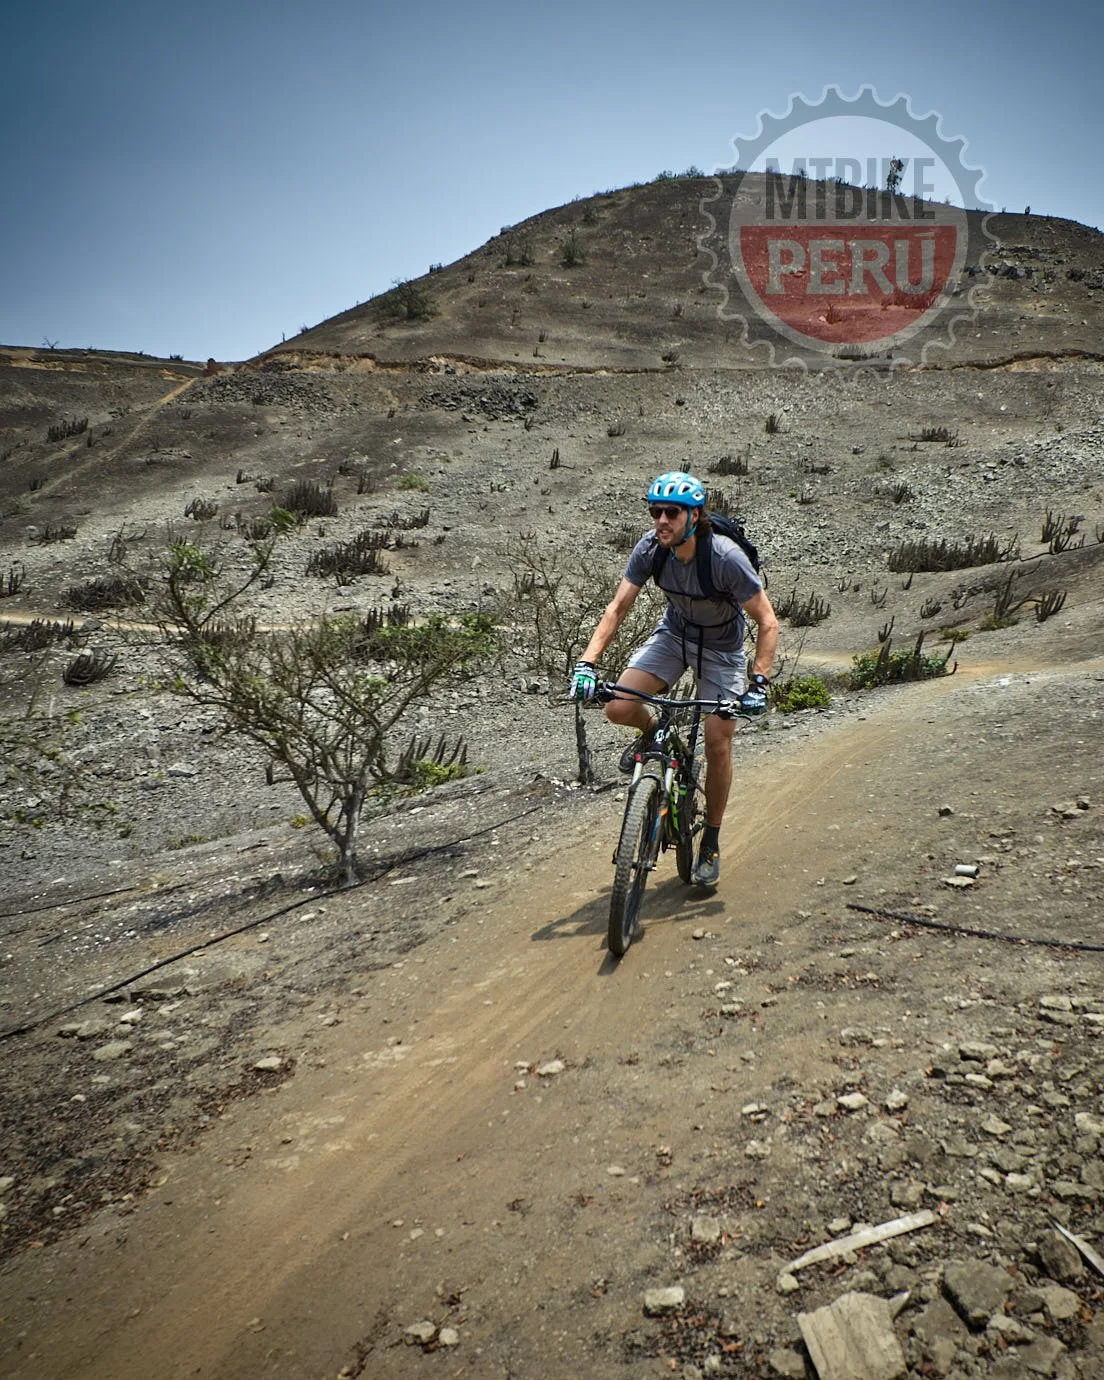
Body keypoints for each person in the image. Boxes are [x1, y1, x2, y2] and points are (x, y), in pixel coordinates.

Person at [569, 470, 779, 887]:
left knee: (718, 744)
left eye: (672, 513)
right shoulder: (650, 549)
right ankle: (651, 734)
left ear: (694, 515)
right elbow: (617, 607)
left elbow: (767, 621)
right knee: (619, 705)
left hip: (722, 649)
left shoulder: (724, 557)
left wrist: (758, 684)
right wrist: (587, 664)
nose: (661, 521)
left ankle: (712, 841)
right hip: (675, 636)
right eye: (655, 512)